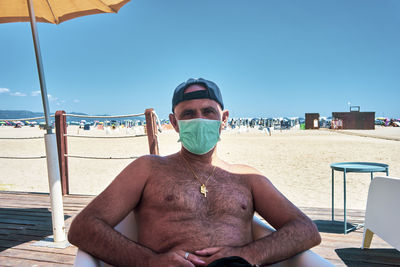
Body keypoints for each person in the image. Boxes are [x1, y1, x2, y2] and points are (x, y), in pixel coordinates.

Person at [68, 78, 321, 267]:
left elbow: (305, 230)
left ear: (224, 119)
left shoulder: (248, 178)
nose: (199, 119)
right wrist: (150, 261)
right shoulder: (148, 169)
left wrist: (250, 254)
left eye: (208, 111)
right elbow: (83, 227)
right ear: (175, 122)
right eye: (188, 114)